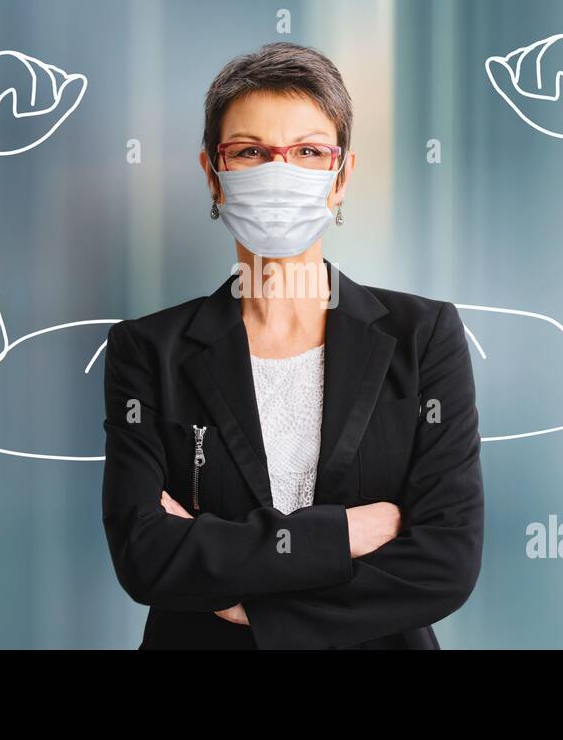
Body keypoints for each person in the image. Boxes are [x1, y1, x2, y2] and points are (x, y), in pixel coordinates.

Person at [100, 42, 485, 649]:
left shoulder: (423, 336)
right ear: (212, 173)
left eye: (308, 152)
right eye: (251, 152)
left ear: (341, 177)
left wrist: (253, 607)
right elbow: (145, 554)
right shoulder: (149, 350)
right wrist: (348, 533)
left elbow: (445, 562)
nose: (279, 172)